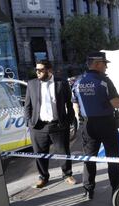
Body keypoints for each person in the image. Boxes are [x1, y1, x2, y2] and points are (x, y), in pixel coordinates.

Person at [72, 52, 119, 200]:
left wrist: (80, 119)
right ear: (97, 63)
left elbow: (75, 103)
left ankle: (88, 190)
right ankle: (117, 189)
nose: (106, 67)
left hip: (87, 124)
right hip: (106, 123)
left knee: (89, 158)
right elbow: (117, 103)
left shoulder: (77, 81)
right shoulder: (104, 81)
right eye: (105, 64)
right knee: (113, 157)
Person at [24, 60, 76, 188]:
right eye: (36, 70)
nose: (37, 72)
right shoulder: (31, 84)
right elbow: (27, 106)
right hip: (38, 126)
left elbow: (69, 103)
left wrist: (69, 120)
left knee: (63, 152)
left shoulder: (61, 83)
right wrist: (29, 122)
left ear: (49, 70)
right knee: (40, 154)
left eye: (40, 70)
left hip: (58, 125)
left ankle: (67, 174)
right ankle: (43, 177)